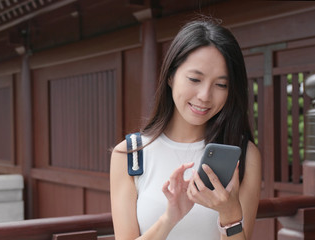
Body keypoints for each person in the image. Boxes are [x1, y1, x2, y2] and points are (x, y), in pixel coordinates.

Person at [110, 19, 262, 240]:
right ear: (171, 76)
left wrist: (230, 213)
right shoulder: (131, 154)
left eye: (221, 85)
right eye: (194, 79)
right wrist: (170, 218)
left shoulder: (243, 155)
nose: (205, 95)